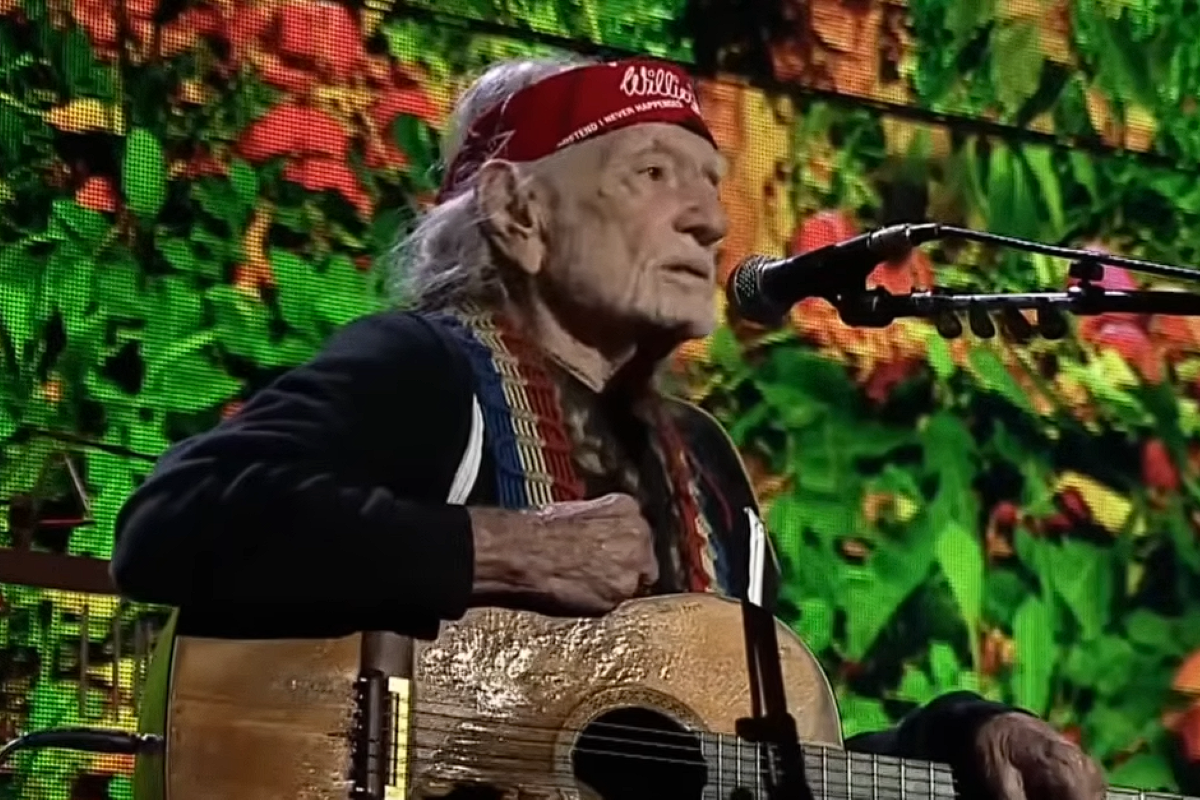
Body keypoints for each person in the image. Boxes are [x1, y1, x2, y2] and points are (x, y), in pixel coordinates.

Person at [111, 56, 1106, 800]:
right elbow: (169, 520)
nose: (712, 222)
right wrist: (494, 550)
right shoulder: (423, 371)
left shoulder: (708, 468)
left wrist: (961, 740)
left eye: (710, 184)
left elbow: (741, 761)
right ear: (518, 213)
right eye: (652, 174)